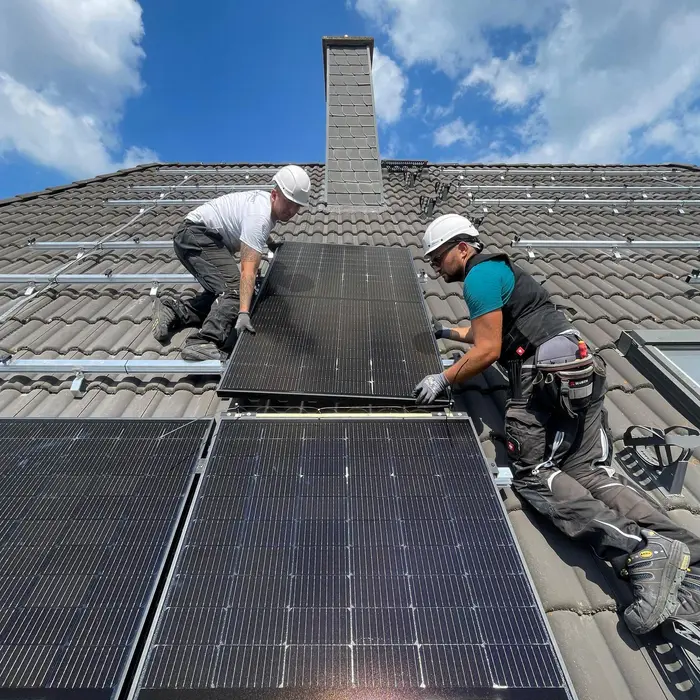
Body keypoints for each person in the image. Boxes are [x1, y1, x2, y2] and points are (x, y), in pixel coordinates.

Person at [414, 213, 700, 634]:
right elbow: (484, 331)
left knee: (533, 475)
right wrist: (445, 333)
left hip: (544, 379)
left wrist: (444, 377)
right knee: (588, 471)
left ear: (461, 247)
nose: (436, 270)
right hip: (582, 368)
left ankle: (641, 553)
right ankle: (692, 557)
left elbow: (489, 350)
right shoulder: (500, 271)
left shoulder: (478, 276)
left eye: (437, 259)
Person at [152, 165, 311, 361]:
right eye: (289, 203)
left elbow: (251, 226)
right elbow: (247, 271)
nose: (292, 210)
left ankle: (174, 309)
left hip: (199, 237)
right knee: (236, 289)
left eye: (297, 206)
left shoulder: (263, 208)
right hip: (195, 236)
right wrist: (243, 312)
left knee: (223, 300)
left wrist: (269, 243)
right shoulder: (259, 218)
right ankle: (204, 342)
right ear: (274, 194)